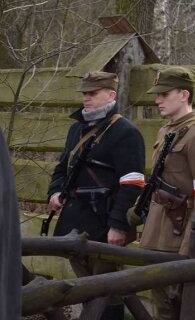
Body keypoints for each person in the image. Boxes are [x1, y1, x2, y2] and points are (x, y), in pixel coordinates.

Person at [47, 71, 146, 320]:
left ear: (111, 95)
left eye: (92, 93)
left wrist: (118, 225)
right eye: (84, 94)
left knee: (106, 288)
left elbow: (133, 183)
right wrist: (56, 191)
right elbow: (63, 167)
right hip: (75, 220)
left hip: (105, 223)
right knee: (86, 283)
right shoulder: (76, 129)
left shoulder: (125, 132)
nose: (86, 98)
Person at [131, 66, 195, 320]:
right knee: (161, 308)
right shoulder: (166, 131)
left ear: (184, 94)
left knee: (181, 309)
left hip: (180, 235)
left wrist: (190, 248)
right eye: (157, 94)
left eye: (164, 94)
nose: (157, 100)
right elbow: (158, 182)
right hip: (157, 234)